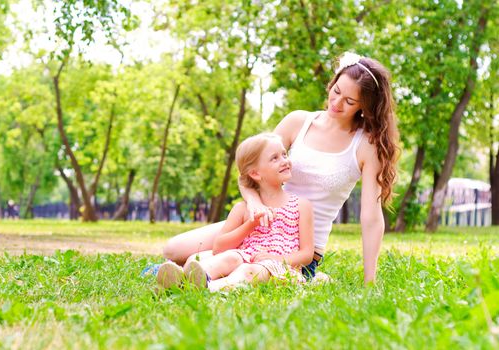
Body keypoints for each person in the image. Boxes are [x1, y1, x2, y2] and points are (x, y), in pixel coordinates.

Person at [160, 52, 399, 284]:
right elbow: (252, 169)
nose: (336, 103)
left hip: (297, 243)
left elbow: (371, 217)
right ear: (333, 82)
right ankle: (194, 273)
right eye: (336, 91)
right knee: (173, 250)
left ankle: (303, 275)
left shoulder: (366, 145)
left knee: (235, 268)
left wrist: (370, 281)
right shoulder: (298, 121)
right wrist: (254, 203)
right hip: (260, 224)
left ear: (364, 106)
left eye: (349, 101)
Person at [155, 133, 314, 291]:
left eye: (284, 154)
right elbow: (219, 247)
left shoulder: (301, 205)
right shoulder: (243, 208)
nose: (284, 161)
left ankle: (208, 288)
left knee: (247, 271)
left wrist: (278, 259)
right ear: (255, 173)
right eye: (275, 158)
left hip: (280, 269)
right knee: (230, 257)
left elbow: (306, 254)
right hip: (246, 258)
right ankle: (181, 279)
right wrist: (250, 225)